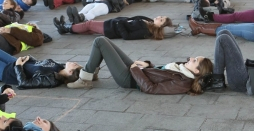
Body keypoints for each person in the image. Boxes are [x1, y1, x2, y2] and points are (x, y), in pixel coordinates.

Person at [68, 38, 213, 94]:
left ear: (196, 71)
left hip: (130, 79)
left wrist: (136, 70)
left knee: (100, 42)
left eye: (195, 61)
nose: (191, 58)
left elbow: (151, 88)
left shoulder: (182, 83)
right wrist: (148, 65)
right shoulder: (183, 69)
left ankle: (85, 78)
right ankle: (91, 73)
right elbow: (161, 73)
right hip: (139, 72)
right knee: (105, 41)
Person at [0, 43, 81, 88]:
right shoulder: (60, 67)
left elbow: (24, 83)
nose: (74, 62)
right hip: (13, 61)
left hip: (7, 72)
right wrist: (29, 58)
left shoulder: (52, 79)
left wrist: (18, 66)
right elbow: (38, 65)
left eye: (75, 65)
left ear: (70, 72)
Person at [54, 14, 172, 40]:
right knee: (89, 30)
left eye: (161, 20)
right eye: (161, 16)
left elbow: (127, 36)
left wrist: (119, 23)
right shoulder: (149, 21)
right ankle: (65, 29)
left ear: (160, 26)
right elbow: (134, 18)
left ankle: (65, 27)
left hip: (111, 28)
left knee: (89, 24)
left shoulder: (146, 31)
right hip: (112, 24)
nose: (158, 17)